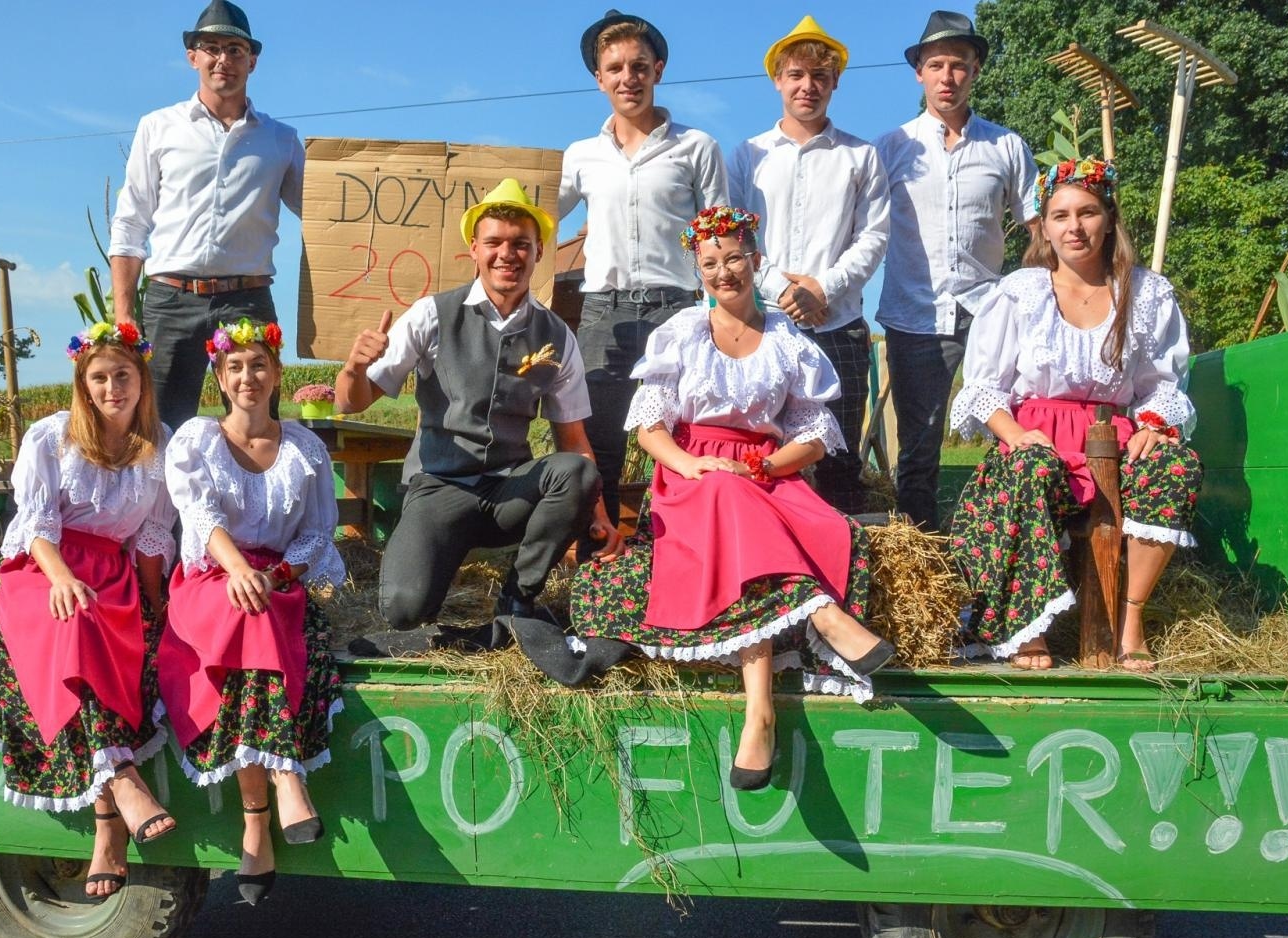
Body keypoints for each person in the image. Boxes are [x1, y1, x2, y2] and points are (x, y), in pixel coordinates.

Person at [570, 207, 894, 792]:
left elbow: (816, 434)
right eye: (710, 262)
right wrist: (693, 463)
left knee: (784, 518)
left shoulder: (787, 340)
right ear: (699, 271)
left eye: (735, 258)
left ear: (757, 261)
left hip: (768, 474)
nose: (724, 272)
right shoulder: (682, 334)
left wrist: (768, 464)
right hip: (690, 480)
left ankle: (762, 711)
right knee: (725, 489)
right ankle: (815, 627)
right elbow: (649, 427)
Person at [946, 158, 1201, 670]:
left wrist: (1154, 425)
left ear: (1109, 218)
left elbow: (1162, 385)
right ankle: (1027, 625)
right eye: (1060, 216)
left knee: (1176, 467)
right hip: (1037, 434)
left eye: (1086, 213)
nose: (1074, 227)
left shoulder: (1146, 292)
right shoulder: (1021, 292)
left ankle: (1128, 621)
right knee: (1027, 469)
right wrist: (1016, 434)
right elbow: (982, 388)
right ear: (1043, 225)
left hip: (1113, 437)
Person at [335, 179, 623, 629]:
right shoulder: (432, 314)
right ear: (474, 249)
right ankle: (434, 559)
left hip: (510, 492)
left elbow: (573, 439)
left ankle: (517, 602)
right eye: (494, 242)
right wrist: (354, 367)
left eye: (520, 244)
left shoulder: (557, 335)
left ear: (538, 251)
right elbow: (351, 402)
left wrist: (600, 514)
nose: (507, 253)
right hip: (439, 488)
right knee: (403, 611)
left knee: (579, 471)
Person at [0, 321, 178, 901]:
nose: (112, 387)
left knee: (129, 644)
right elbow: (36, 527)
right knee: (75, 624)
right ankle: (122, 780)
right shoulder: (52, 435)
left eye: (123, 375)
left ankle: (108, 833)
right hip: (42, 571)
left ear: (141, 379)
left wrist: (158, 606)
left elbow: (152, 537)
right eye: (99, 378)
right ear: (83, 385)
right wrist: (62, 578)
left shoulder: (159, 443)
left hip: (114, 573)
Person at [158, 317, 345, 905]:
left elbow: (318, 533)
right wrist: (240, 571)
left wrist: (276, 574)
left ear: (277, 374)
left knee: (257, 623)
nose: (248, 376)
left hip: (279, 583)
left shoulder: (306, 448)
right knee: (249, 610)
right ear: (218, 376)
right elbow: (200, 517)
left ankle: (256, 824)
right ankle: (287, 778)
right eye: (235, 366)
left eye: (258, 365)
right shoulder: (197, 440)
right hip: (211, 578)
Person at [559, 9, 728, 536]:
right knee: (598, 444)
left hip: (677, 310)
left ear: (658, 69)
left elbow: (719, 234)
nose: (627, 78)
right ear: (599, 78)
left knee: (684, 440)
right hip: (603, 312)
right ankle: (599, 573)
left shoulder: (697, 146)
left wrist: (725, 315)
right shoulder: (580, 156)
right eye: (615, 69)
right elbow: (535, 217)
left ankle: (678, 563)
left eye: (638, 66)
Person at [875, 10, 1039, 530]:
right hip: (914, 315)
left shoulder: (1006, 147)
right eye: (937, 65)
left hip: (992, 311)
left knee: (1014, 431)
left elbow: (1040, 228)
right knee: (920, 445)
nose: (948, 77)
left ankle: (1001, 546)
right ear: (919, 72)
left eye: (960, 65)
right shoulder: (890, 149)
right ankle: (924, 564)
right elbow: (863, 230)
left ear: (976, 71)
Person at [109, 0, 304, 430]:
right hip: (170, 301)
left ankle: (259, 500)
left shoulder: (282, 141)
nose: (223, 60)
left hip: (247, 302)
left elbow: (326, 212)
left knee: (257, 428)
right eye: (211, 47)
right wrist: (124, 313)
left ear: (252, 60)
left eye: (235, 49)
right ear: (192, 56)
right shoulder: (157, 127)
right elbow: (130, 223)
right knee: (157, 427)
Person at [727, 15, 889, 514]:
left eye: (819, 76)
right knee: (767, 449)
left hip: (838, 324)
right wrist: (782, 290)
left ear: (835, 82)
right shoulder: (747, 155)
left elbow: (874, 235)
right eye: (796, 75)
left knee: (838, 454)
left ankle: (846, 570)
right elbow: (734, 233)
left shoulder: (861, 156)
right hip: (764, 326)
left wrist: (823, 288)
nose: (807, 86)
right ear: (777, 79)